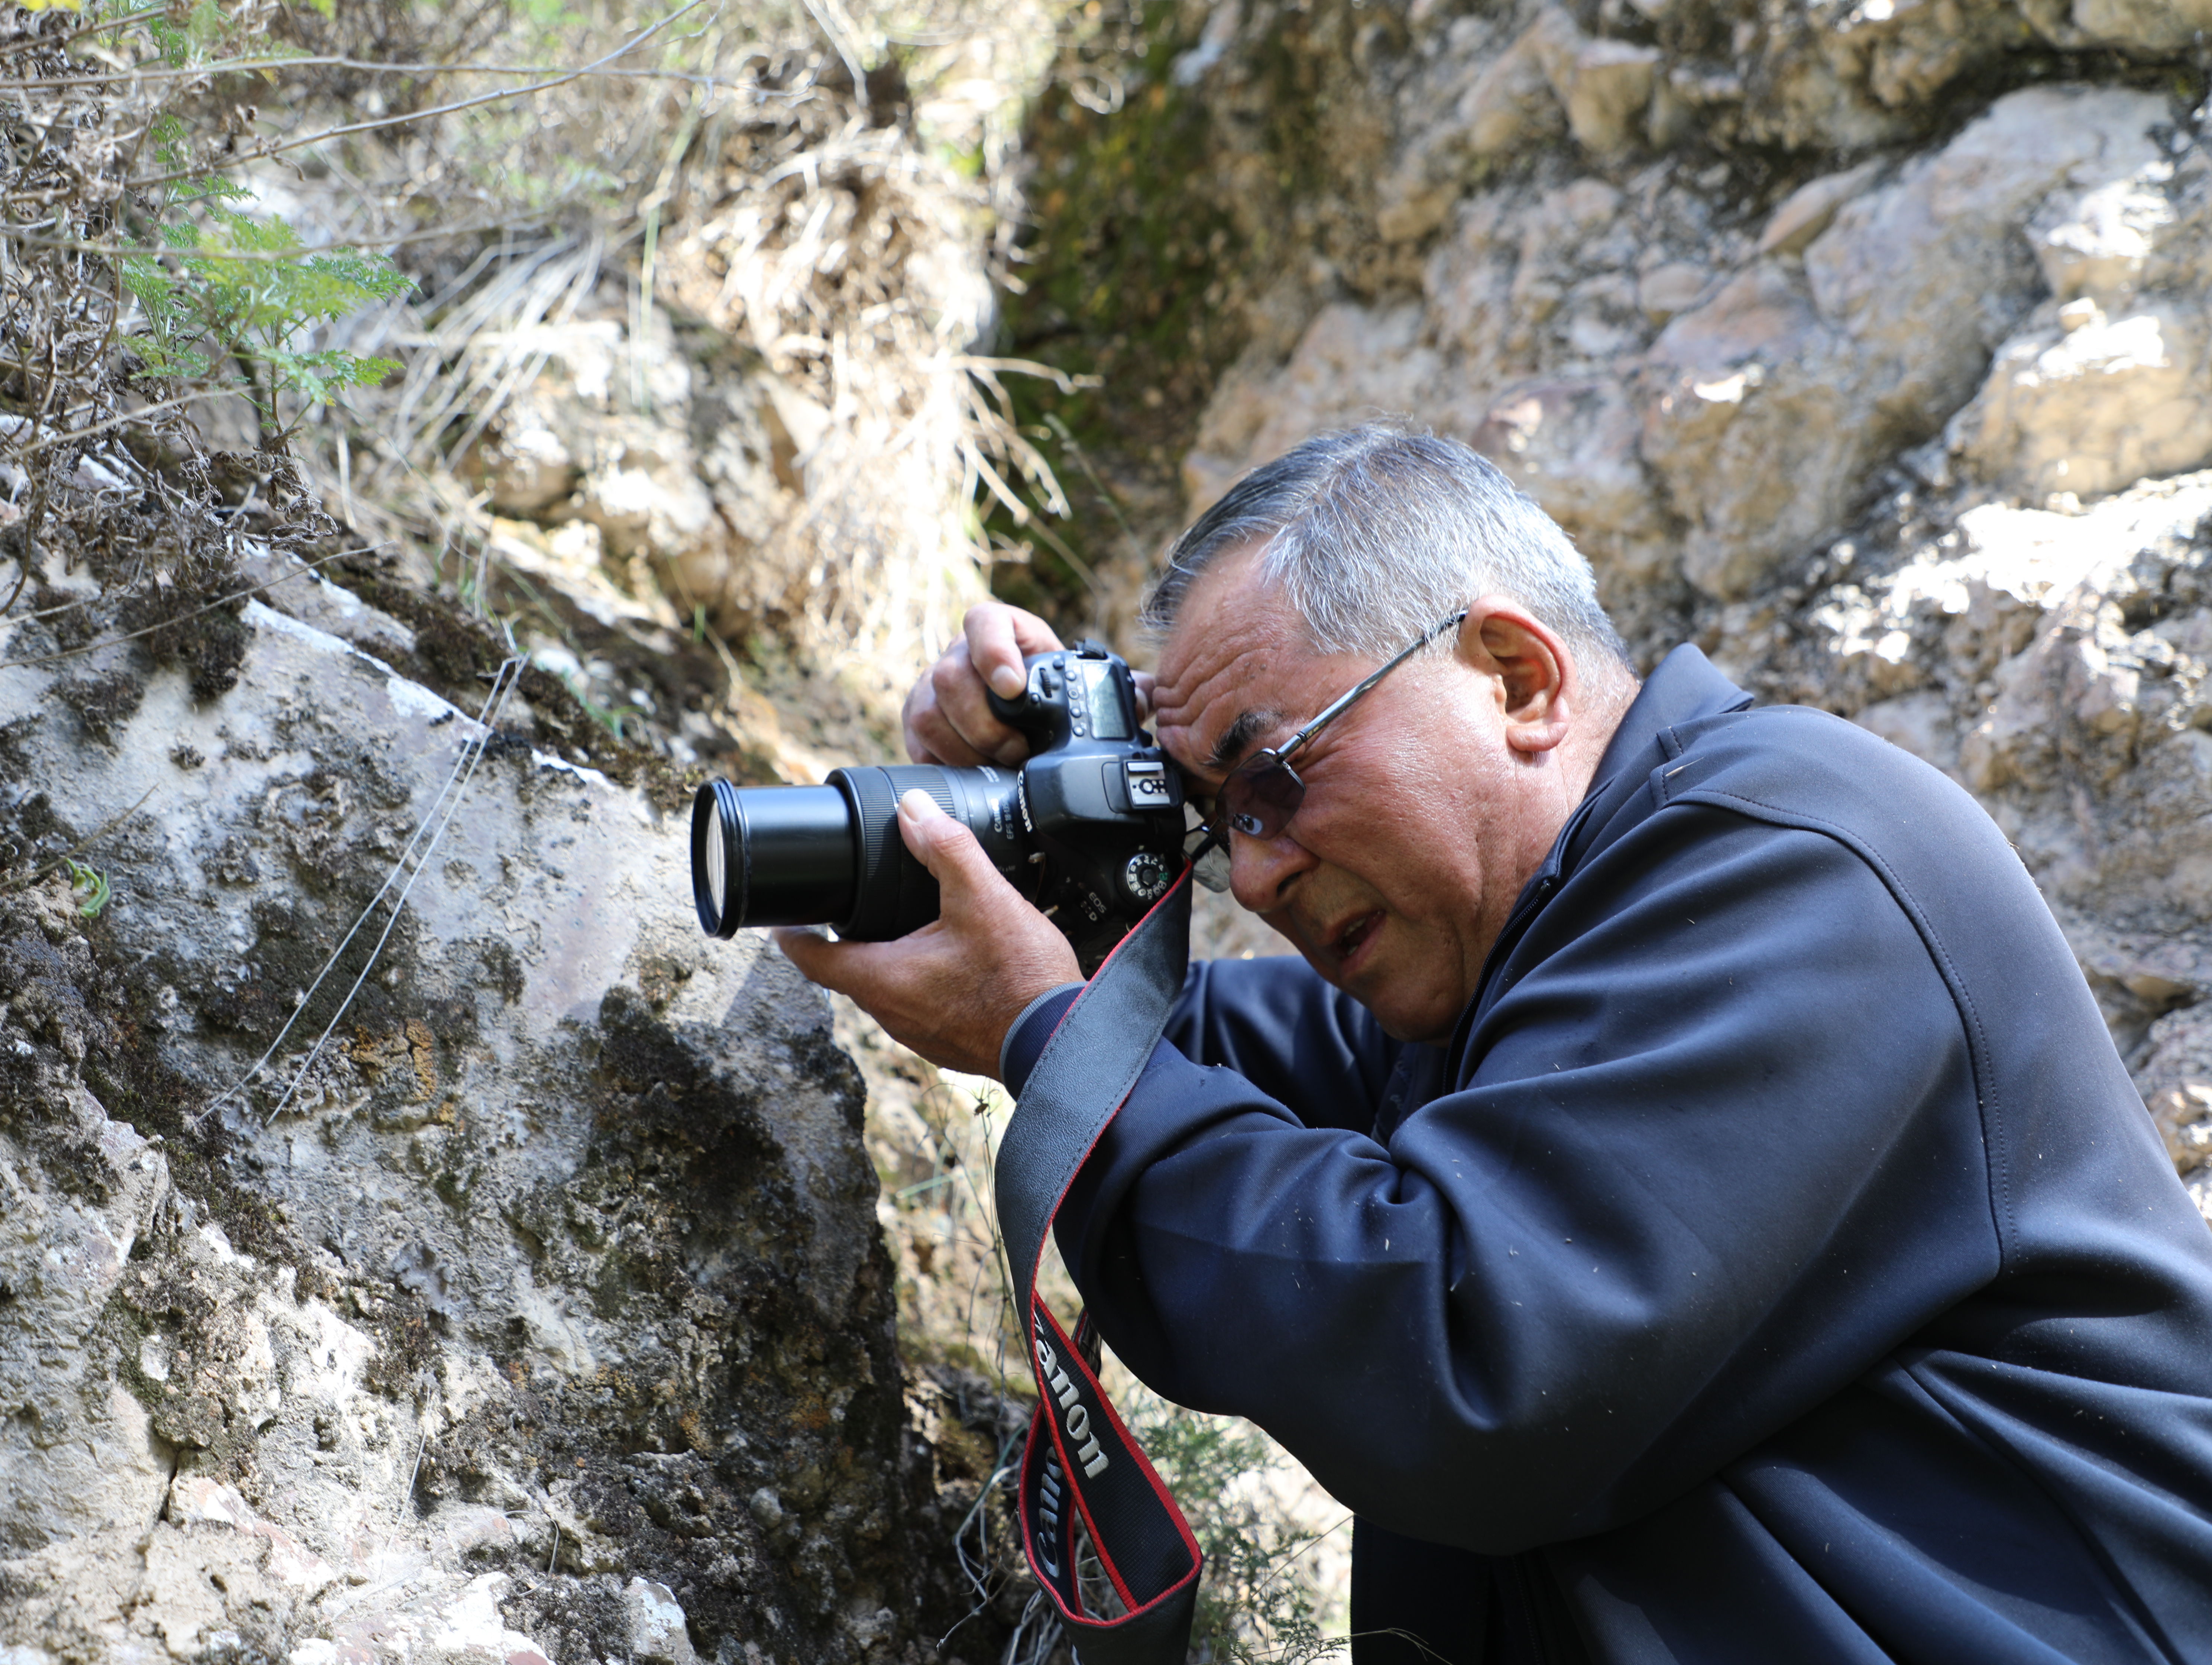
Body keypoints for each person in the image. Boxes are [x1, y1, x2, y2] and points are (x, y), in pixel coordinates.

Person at [776, 424, 2212, 1664]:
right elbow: (1196, 1065)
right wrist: (1030, 889)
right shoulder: (1497, 985)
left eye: (1277, 778)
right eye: (1225, 829)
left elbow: (1471, 1354)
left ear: (1516, 677)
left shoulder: (1791, 856)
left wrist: (1046, 1031)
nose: (1259, 878)